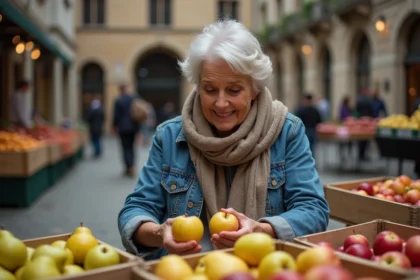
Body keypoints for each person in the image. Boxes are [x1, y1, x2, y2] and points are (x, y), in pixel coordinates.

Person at [117, 20, 329, 260]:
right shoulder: (169, 136)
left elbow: (314, 210)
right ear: (197, 86)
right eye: (209, 89)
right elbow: (135, 210)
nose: (220, 103)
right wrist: (159, 232)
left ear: (255, 89)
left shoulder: (286, 131)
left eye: (234, 90)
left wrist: (262, 230)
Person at [113, 84, 140, 176]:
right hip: (133, 126)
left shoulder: (118, 100)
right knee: (132, 147)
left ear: (120, 90)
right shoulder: (133, 99)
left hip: (123, 127)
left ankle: (128, 167)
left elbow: (116, 116)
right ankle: (132, 166)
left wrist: (115, 126)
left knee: (125, 147)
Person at [295, 94, 322, 159]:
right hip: (313, 130)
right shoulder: (315, 110)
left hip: (305, 131)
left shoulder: (301, 110)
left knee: (304, 148)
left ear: (305, 100)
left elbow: (297, 120)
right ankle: (312, 162)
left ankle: (306, 162)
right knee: (312, 148)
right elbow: (319, 121)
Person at [356, 88, 374, 161]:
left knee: (365, 140)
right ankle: (361, 155)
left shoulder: (364, 100)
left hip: (365, 121)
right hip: (363, 122)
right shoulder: (364, 100)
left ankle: (362, 155)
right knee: (362, 140)